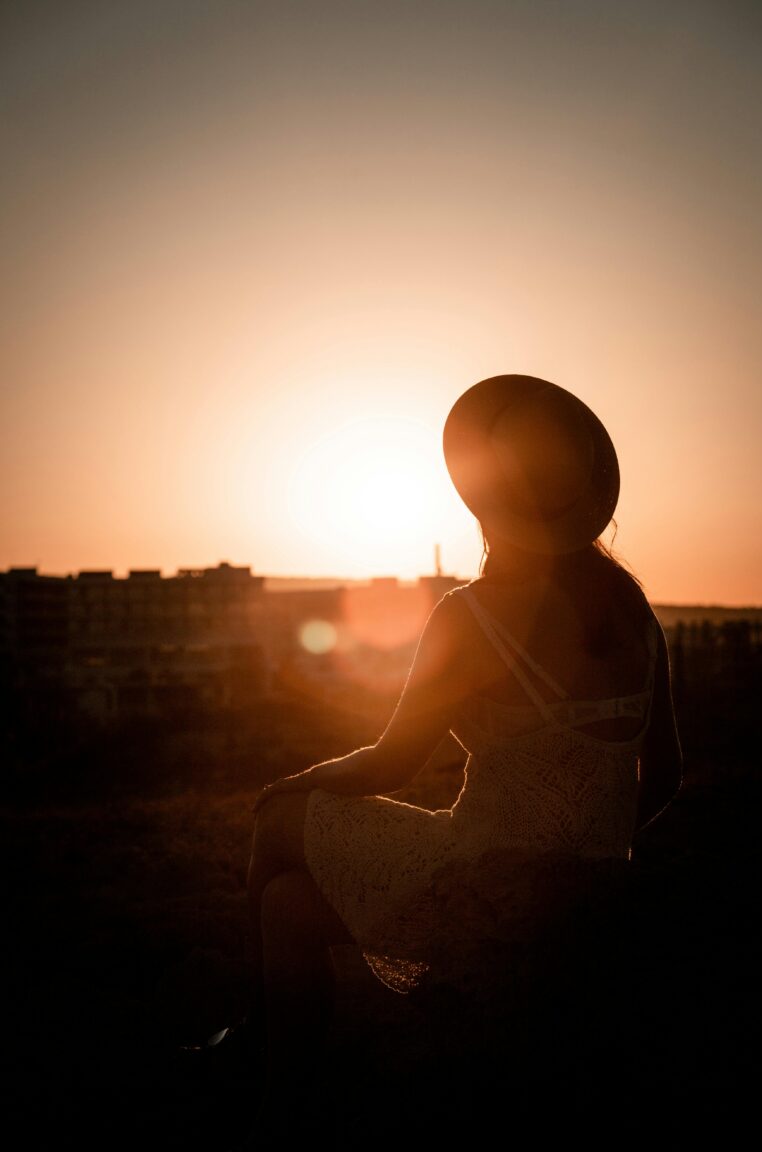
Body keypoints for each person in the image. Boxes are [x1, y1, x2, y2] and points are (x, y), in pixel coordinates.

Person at [209, 374, 683, 1146]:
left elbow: (392, 763)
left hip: (486, 889)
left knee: (279, 828)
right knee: (289, 903)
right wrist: (583, 864)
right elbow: (664, 777)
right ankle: (264, 1075)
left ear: (483, 499)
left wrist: (300, 781)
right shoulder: (635, 617)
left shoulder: (470, 616)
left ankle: (264, 1081)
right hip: (592, 906)